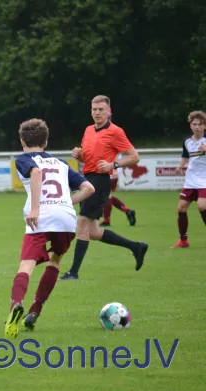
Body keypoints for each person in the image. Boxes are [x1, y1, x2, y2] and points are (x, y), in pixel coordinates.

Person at [5, 119, 95, 339]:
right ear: (45, 142)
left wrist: (35, 208)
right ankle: (35, 310)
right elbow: (88, 188)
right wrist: (65, 203)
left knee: (26, 265)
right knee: (55, 262)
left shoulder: (24, 159)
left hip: (40, 218)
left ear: (22, 141)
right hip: (65, 218)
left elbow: (36, 173)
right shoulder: (61, 163)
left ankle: (16, 306)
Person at [59, 95, 148, 281]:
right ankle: (136, 247)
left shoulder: (116, 131)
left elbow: (134, 157)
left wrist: (112, 165)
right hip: (87, 178)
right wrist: (79, 155)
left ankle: (73, 272)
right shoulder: (88, 130)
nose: (97, 113)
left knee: (82, 223)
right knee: (93, 232)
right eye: (94, 109)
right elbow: (87, 158)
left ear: (109, 112)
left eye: (101, 109)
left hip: (99, 182)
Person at [170, 110, 206, 248]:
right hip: (191, 179)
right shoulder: (187, 141)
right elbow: (186, 155)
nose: (196, 127)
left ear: (204, 126)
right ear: (190, 125)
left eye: (199, 124)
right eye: (194, 124)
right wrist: (181, 166)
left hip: (204, 179)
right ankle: (183, 240)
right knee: (181, 208)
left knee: (202, 206)